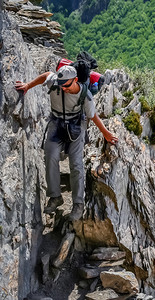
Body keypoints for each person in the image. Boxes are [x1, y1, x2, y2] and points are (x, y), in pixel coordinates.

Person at [15, 65, 119, 221]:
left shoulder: (86, 95)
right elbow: (46, 76)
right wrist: (28, 86)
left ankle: (78, 203)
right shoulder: (55, 82)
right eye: (61, 84)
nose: (63, 88)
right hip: (56, 123)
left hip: (76, 125)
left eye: (67, 85)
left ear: (75, 80)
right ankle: (55, 197)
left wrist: (106, 133)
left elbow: (93, 116)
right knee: (50, 156)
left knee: (76, 163)